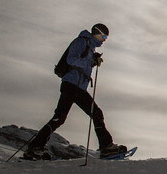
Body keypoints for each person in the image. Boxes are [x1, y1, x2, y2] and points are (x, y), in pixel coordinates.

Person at [24, 24, 126, 160]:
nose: (105, 39)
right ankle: (35, 148)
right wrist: (90, 60)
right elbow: (71, 59)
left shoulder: (90, 46)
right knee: (61, 117)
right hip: (71, 85)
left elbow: (82, 63)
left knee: (93, 113)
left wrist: (93, 61)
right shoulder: (81, 41)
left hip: (78, 87)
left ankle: (107, 147)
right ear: (97, 33)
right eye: (104, 36)